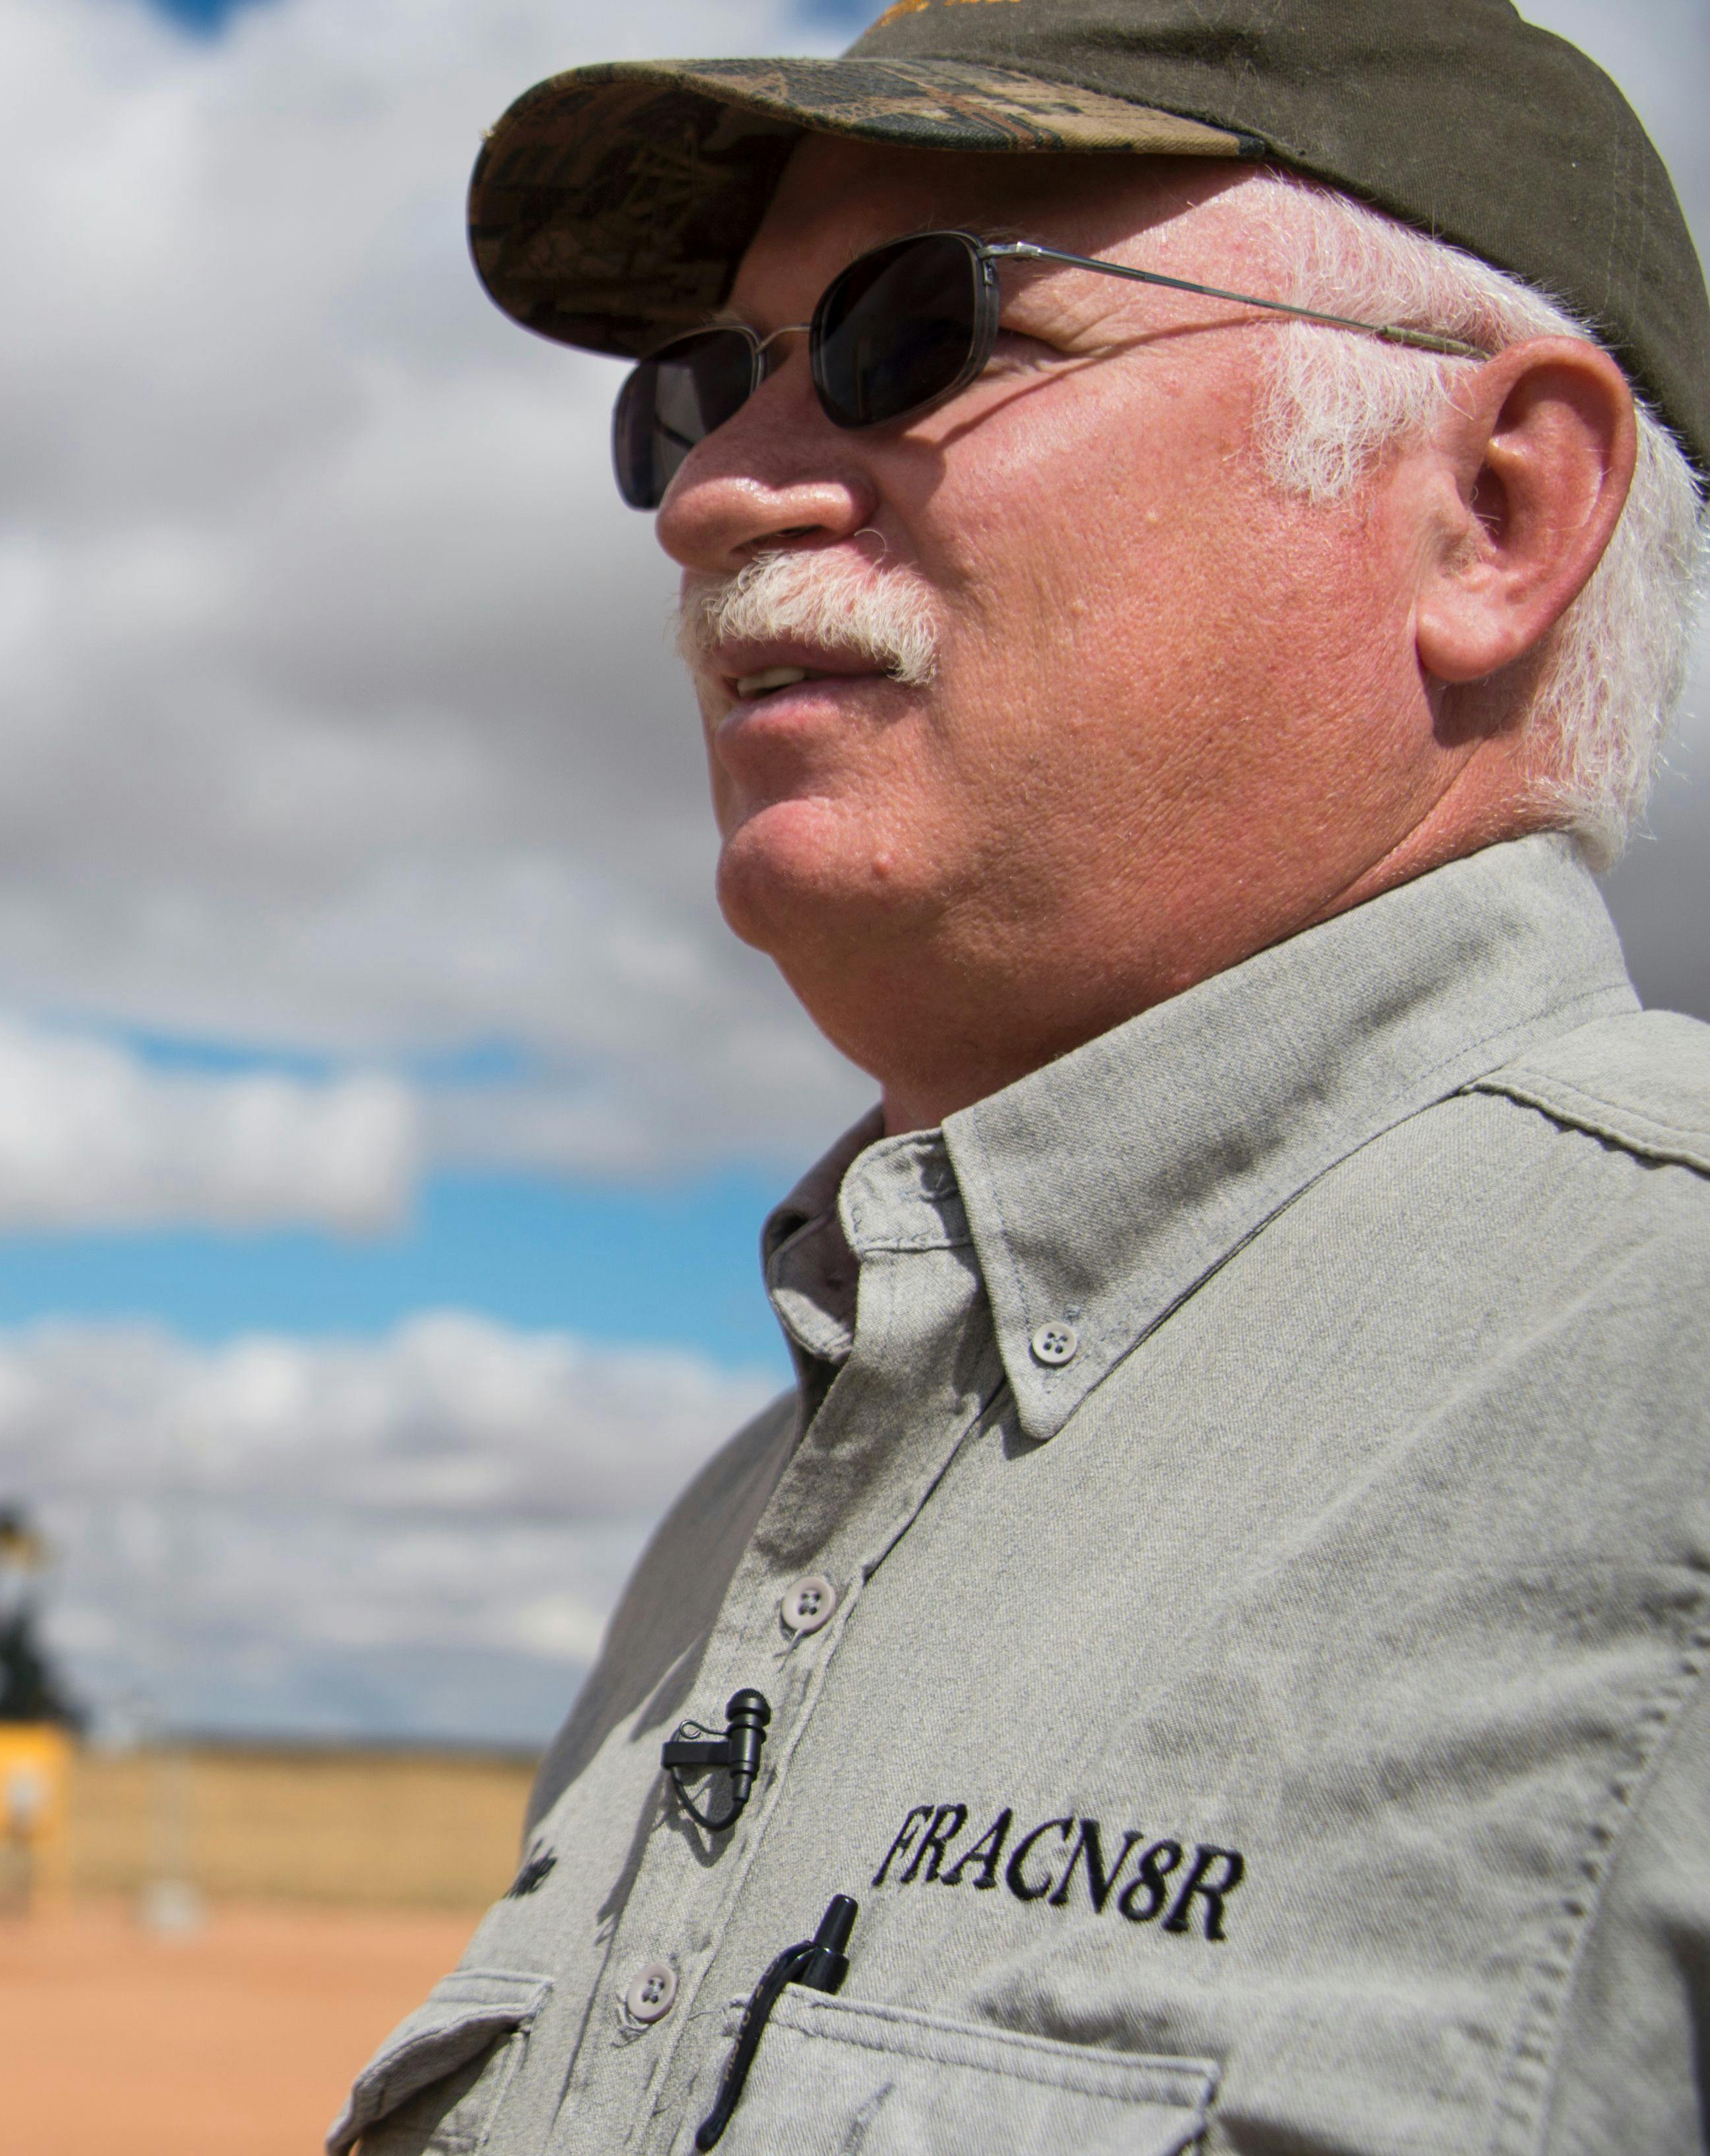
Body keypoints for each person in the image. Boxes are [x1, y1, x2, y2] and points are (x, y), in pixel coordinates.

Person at [333, 2, 1710, 2149]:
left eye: (918, 331)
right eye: (703, 383)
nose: (712, 490)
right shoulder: (744, 1529)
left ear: (1495, 510)